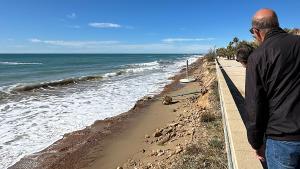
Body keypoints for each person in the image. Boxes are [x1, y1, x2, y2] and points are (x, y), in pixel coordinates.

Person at [245, 8, 300, 169]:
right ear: (277, 24)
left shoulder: (257, 57)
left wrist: (256, 143)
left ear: (256, 31)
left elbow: (254, 106)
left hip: (282, 140)